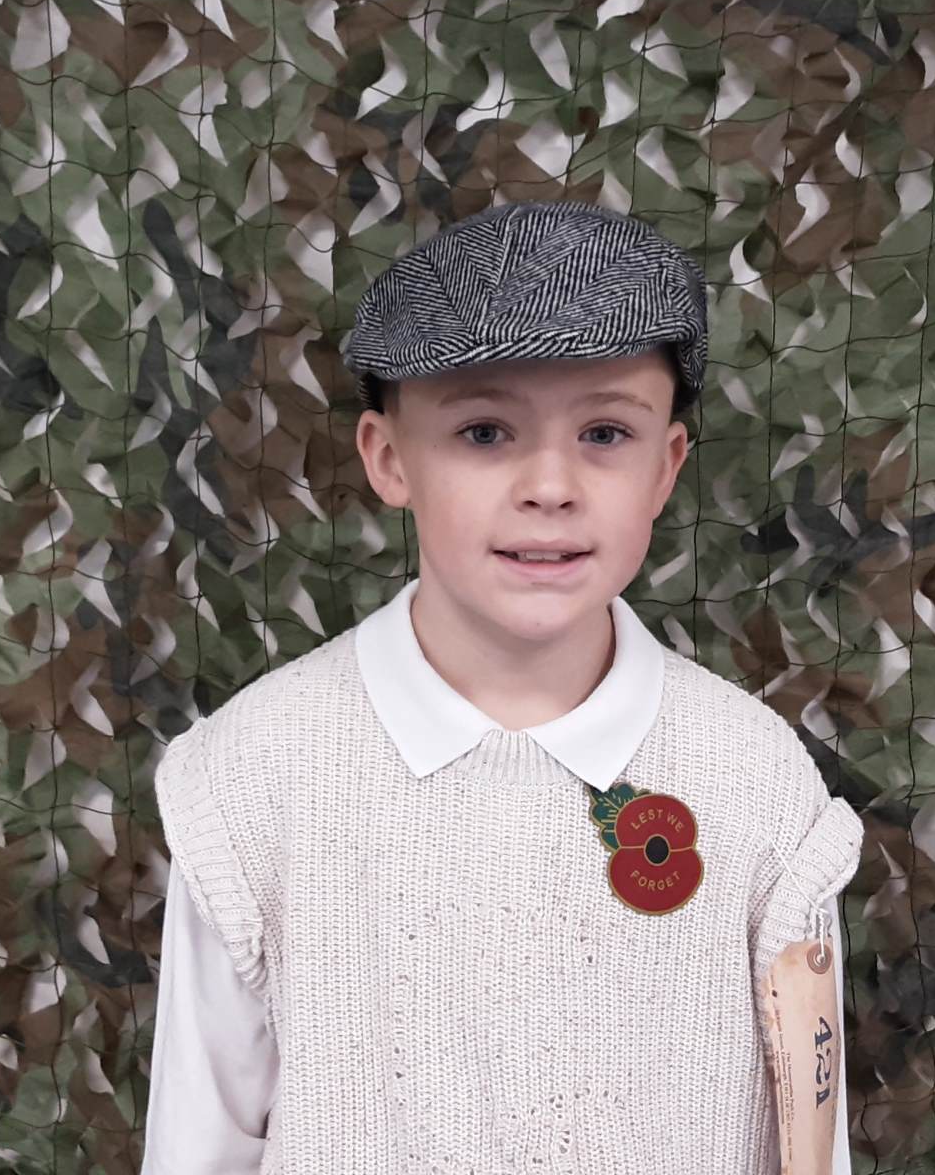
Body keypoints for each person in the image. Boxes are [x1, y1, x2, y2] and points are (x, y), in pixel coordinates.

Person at [142, 199, 864, 1173]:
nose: (550, 486)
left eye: (605, 432)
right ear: (389, 458)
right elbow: (196, 1148)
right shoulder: (251, 779)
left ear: (667, 467)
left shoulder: (756, 783)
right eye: (485, 432)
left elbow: (811, 1146)